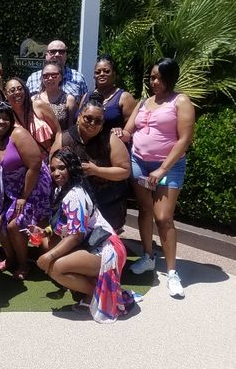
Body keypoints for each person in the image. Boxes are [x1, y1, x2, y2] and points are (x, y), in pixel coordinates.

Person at [120, 58, 195, 298]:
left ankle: (172, 272)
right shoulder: (144, 102)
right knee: (144, 210)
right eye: (152, 77)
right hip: (139, 162)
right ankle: (148, 257)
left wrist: (162, 169)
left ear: (170, 78)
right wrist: (118, 133)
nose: (155, 82)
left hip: (168, 167)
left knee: (163, 218)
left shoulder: (180, 101)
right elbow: (128, 130)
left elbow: (184, 139)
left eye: (160, 78)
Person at [36, 148, 135, 323]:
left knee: (55, 267)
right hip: (96, 244)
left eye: (61, 168)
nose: (56, 173)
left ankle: (104, 294)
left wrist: (49, 256)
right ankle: (93, 289)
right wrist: (46, 231)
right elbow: (66, 225)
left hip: (108, 249)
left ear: (72, 168)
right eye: (52, 169)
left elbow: (76, 235)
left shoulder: (74, 195)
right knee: (49, 244)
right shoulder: (64, 189)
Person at [0, 102, 51, 280]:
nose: (1, 122)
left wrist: (23, 197)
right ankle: (10, 259)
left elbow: (35, 166)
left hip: (32, 188)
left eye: (6, 118)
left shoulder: (19, 134)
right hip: (8, 191)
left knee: (15, 224)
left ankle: (23, 264)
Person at [52, 93, 131, 231]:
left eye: (98, 121)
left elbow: (125, 171)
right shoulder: (64, 139)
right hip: (73, 198)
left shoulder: (110, 139)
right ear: (79, 117)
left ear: (102, 124)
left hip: (107, 201)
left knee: (101, 241)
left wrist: (96, 171)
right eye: (88, 118)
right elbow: (53, 168)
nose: (92, 124)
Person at [77, 55, 136, 133]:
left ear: (114, 74)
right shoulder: (86, 96)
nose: (101, 74)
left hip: (112, 143)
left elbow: (131, 130)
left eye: (106, 71)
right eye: (97, 72)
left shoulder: (124, 97)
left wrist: (120, 132)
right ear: (94, 76)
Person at [5, 77, 60, 156]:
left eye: (20, 89)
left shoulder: (38, 106)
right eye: (12, 90)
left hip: (50, 158)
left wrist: (54, 156)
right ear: (5, 95)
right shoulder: (7, 117)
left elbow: (58, 132)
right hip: (25, 164)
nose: (17, 92)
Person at [37, 61, 76, 131]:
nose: (50, 78)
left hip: (61, 140)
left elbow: (71, 128)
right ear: (42, 78)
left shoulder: (69, 99)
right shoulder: (34, 99)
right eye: (46, 76)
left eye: (54, 75)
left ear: (60, 77)